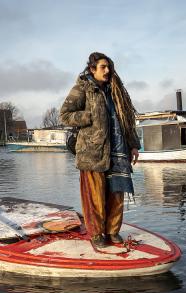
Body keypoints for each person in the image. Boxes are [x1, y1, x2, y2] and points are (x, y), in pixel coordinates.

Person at [60, 52, 140, 248]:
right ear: (92, 69)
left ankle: (112, 232)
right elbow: (65, 115)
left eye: (109, 67)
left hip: (117, 151)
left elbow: (126, 120)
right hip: (92, 152)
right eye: (103, 67)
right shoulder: (83, 88)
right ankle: (97, 234)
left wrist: (133, 144)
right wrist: (90, 116)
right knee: (95, 196)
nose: (107, 70)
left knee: (116, 194)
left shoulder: (115, 91)